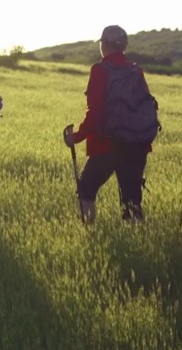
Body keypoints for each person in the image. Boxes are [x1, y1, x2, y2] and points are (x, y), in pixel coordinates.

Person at [63, 25, 153, 223]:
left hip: (108, 143)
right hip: (138, 143)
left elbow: (95, 112)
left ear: (104, 45)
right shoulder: (135, 70)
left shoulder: (100, 70)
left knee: (86, 189)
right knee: (131, 198)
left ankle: (88, 236)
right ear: (123, 47)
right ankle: (137, 242)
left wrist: (76, 137)